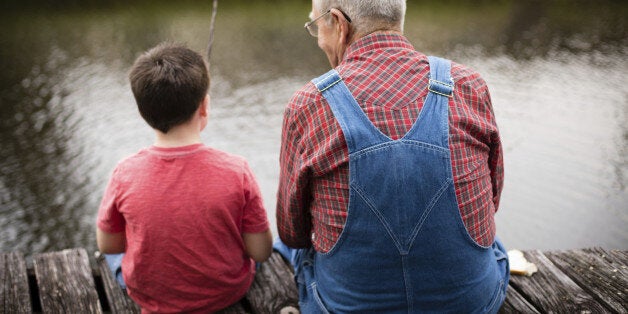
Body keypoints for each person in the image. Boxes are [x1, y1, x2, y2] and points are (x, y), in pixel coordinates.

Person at [275, 0, 509, 312]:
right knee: (494, 246)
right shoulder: (468, 85)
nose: (319, 39)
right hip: (473, 305)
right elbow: (491, 200)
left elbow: (294, 232)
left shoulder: (307, 105)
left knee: (292, 250)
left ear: (338, 24)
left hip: (344, 308)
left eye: (316, 27)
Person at [96, 42, 273, 313]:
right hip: (225, 294)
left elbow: (109, 244)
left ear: (143, 113)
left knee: (109, 258)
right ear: (204, 107)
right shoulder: (237, 169)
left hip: (152, 298)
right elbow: (260, 252)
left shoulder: (124, 172)